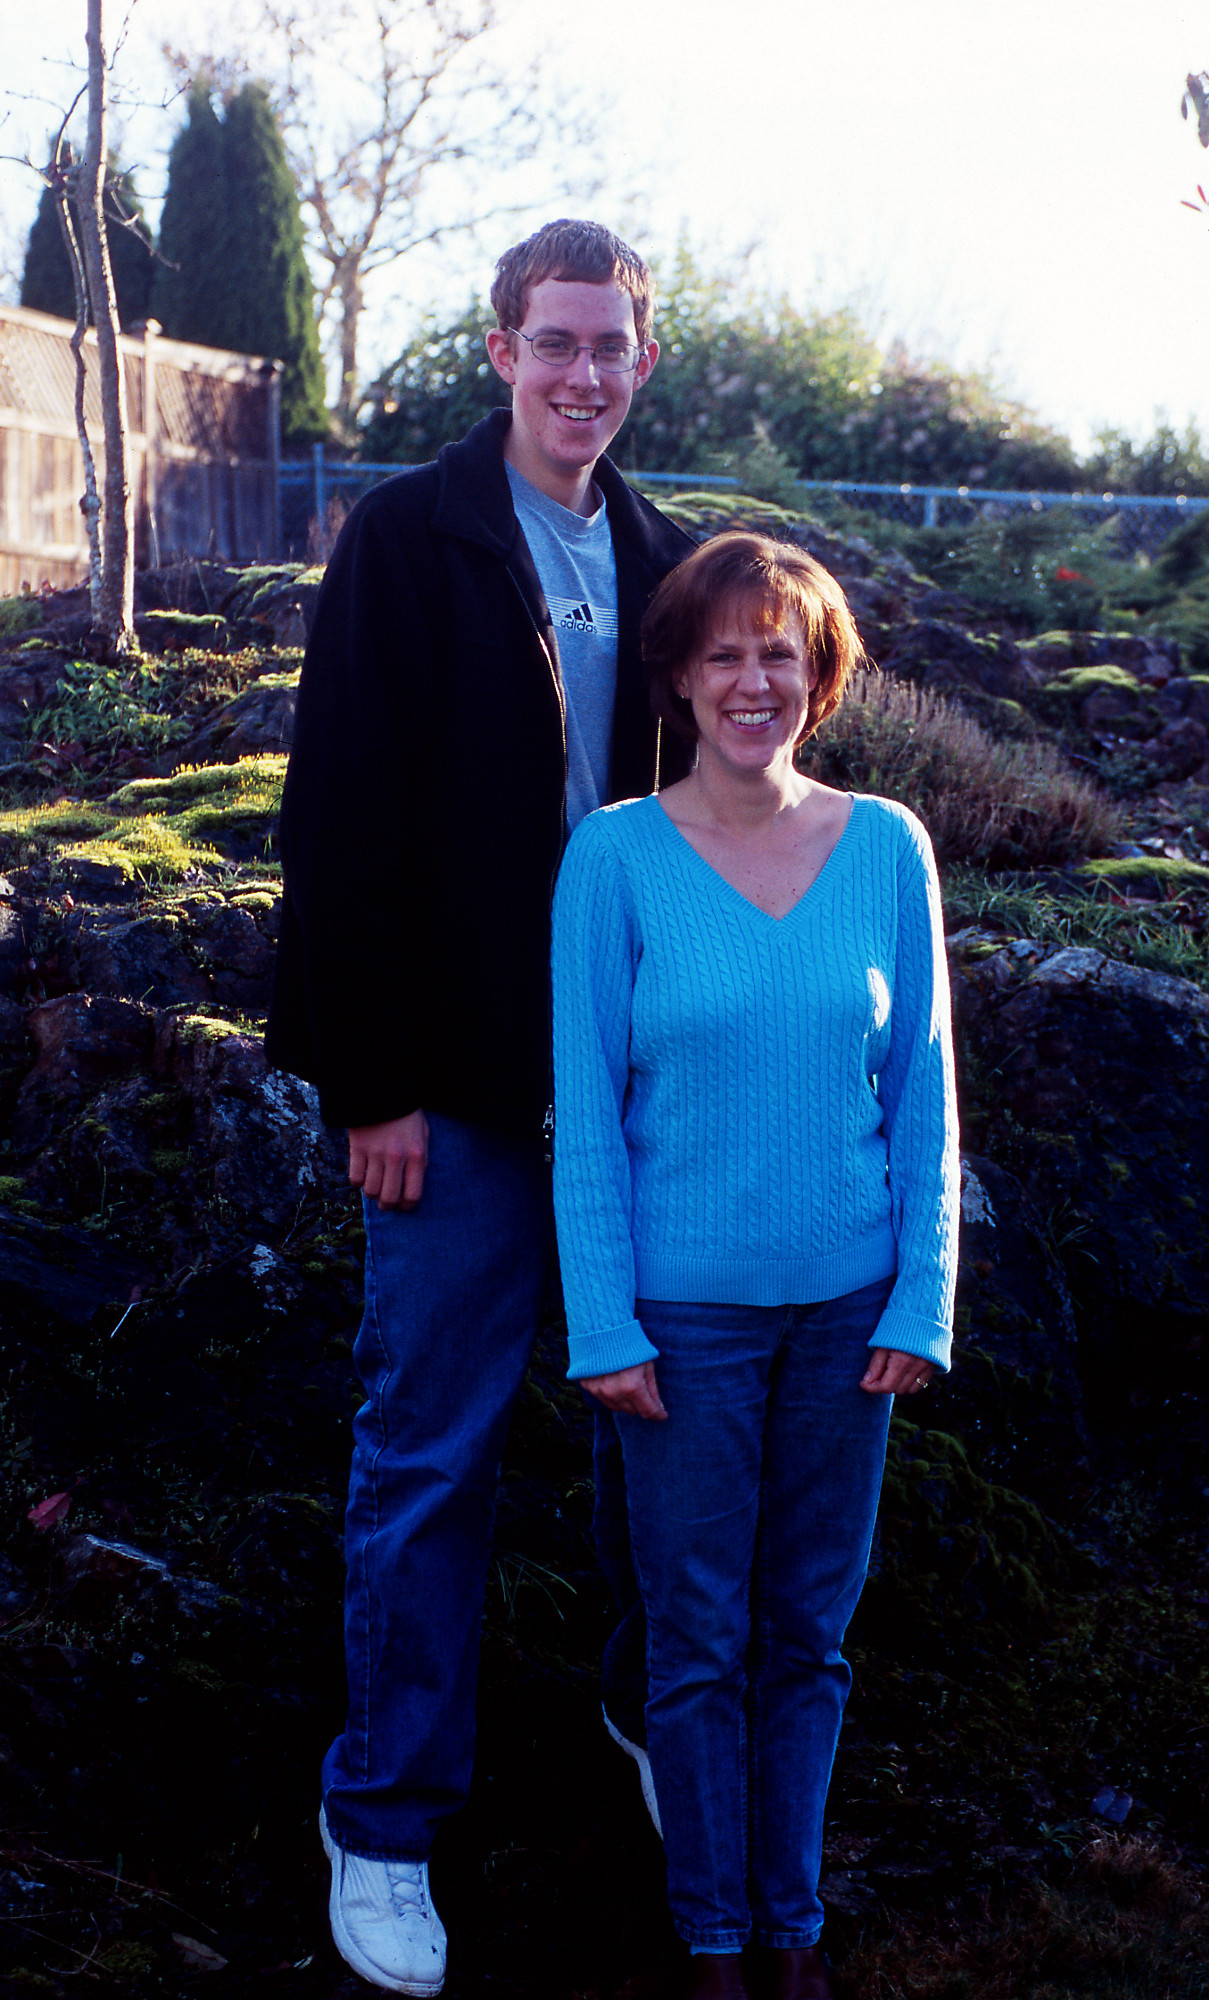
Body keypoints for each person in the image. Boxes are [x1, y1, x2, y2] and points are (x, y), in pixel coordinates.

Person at [266, 219, 696, 1997]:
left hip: (633, 1095)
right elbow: (338, 817)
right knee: (430, 1449)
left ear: (641, 361)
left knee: (664, 1435)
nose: (582, 374)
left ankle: (652, 1723)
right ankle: (381, 1825)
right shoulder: (412, 536)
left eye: (610, 346)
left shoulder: (668, 560)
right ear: (501, 350)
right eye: (553, 342)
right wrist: (370, 1084)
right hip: (449, 1089)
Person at [551, 532, 960, 2000]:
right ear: (675, 675)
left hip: (852, 1317)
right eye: (721, 653)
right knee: (695, 1646)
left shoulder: (888, 848)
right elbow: (586, 1112)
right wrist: (605, 1323)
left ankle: (793, 1935)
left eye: (778, 653)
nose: (750, 681)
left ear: (818, 675)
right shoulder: (612, 860)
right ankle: (712, 1945)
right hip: (682, 1327)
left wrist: (922, 1295)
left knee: (808, 1643)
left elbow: (923, 1093)